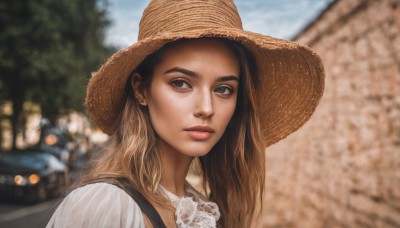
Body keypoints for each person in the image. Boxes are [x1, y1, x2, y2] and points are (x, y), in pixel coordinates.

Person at [47, 0, 325, 227]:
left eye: (224, 89)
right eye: (181, 83)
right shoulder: (105, 207)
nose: (206, 108)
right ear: (141, 90)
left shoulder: (200, 209)